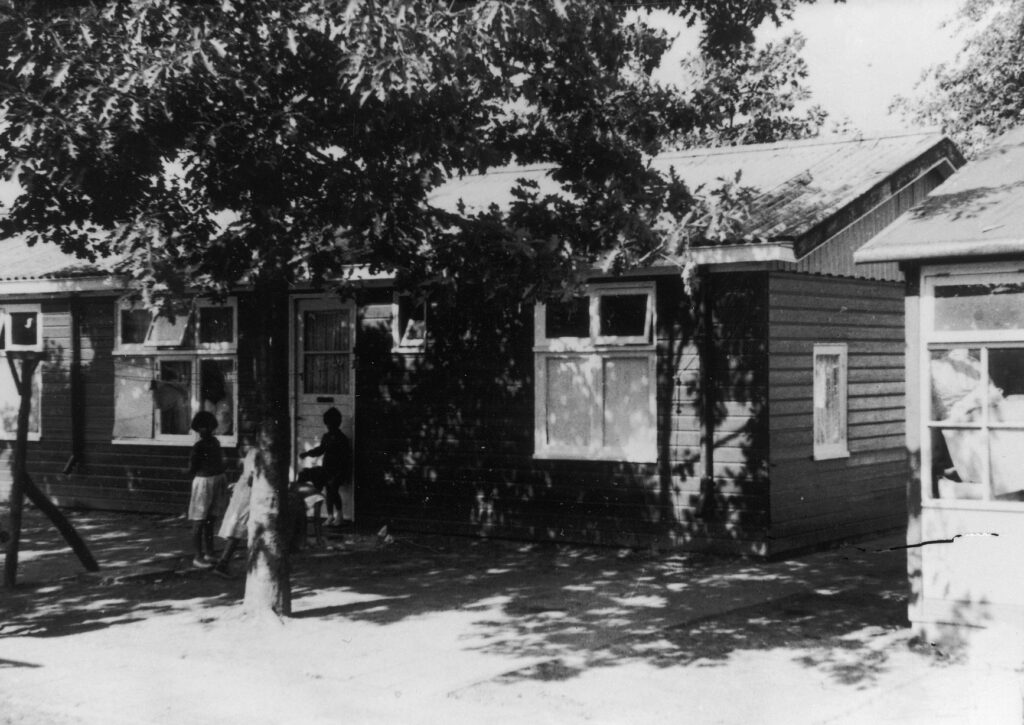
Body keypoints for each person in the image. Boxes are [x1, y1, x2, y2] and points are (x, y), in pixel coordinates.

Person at [186, 410, 226, 569]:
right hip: (203, 482)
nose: (204, 431)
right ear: (197, 429)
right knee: (199, 520)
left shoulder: (215, 442)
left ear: (212, 428)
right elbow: (192, 469)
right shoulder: (198, 447)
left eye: (207, 427)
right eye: (201, 428)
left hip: (216, 480)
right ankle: (198, 556)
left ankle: (210, 552)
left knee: (211, 519)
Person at [298, 407, 351, 526]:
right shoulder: (326, 436)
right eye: (328, 424)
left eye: (331, 424)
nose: (329, 426)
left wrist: (340, 473)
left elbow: (345, 458)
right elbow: (320, 450)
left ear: (337, 423)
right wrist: (307, 453)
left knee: (334, 490)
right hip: (328, 468)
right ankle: (330, 515)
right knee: (328, 491)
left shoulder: (342, 438)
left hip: (338, 470)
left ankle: (340, 515)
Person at [212, 444, 256, 578]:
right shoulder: (257, 452)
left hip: (245, 490)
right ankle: (223, 563)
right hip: (248, 493)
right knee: (239, 527)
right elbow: (251, 479)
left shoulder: (254, 451)